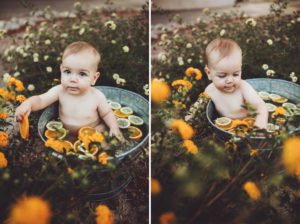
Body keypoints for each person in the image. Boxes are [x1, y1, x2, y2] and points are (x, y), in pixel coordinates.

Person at [15, 41, 123, 140]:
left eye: (82, 74)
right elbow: (41, 100)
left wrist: (114, 127)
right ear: (61, 70)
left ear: (94, 78)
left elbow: (107, 114)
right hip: (66, 133)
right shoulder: (59, 91)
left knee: (102, 139)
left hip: (93, 130)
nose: (72, 79)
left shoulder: (97, 96)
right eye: (67, 72)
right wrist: (27, 104)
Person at [204, 38, 268, 129]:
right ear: (209, 73)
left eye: (235, 74)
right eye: (222, 75)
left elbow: (260, 105)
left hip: (250, 124)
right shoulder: (209, 90)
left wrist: (260, 124)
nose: (230, 80)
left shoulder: (243, 87)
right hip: (228, 127)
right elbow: (200, 107)